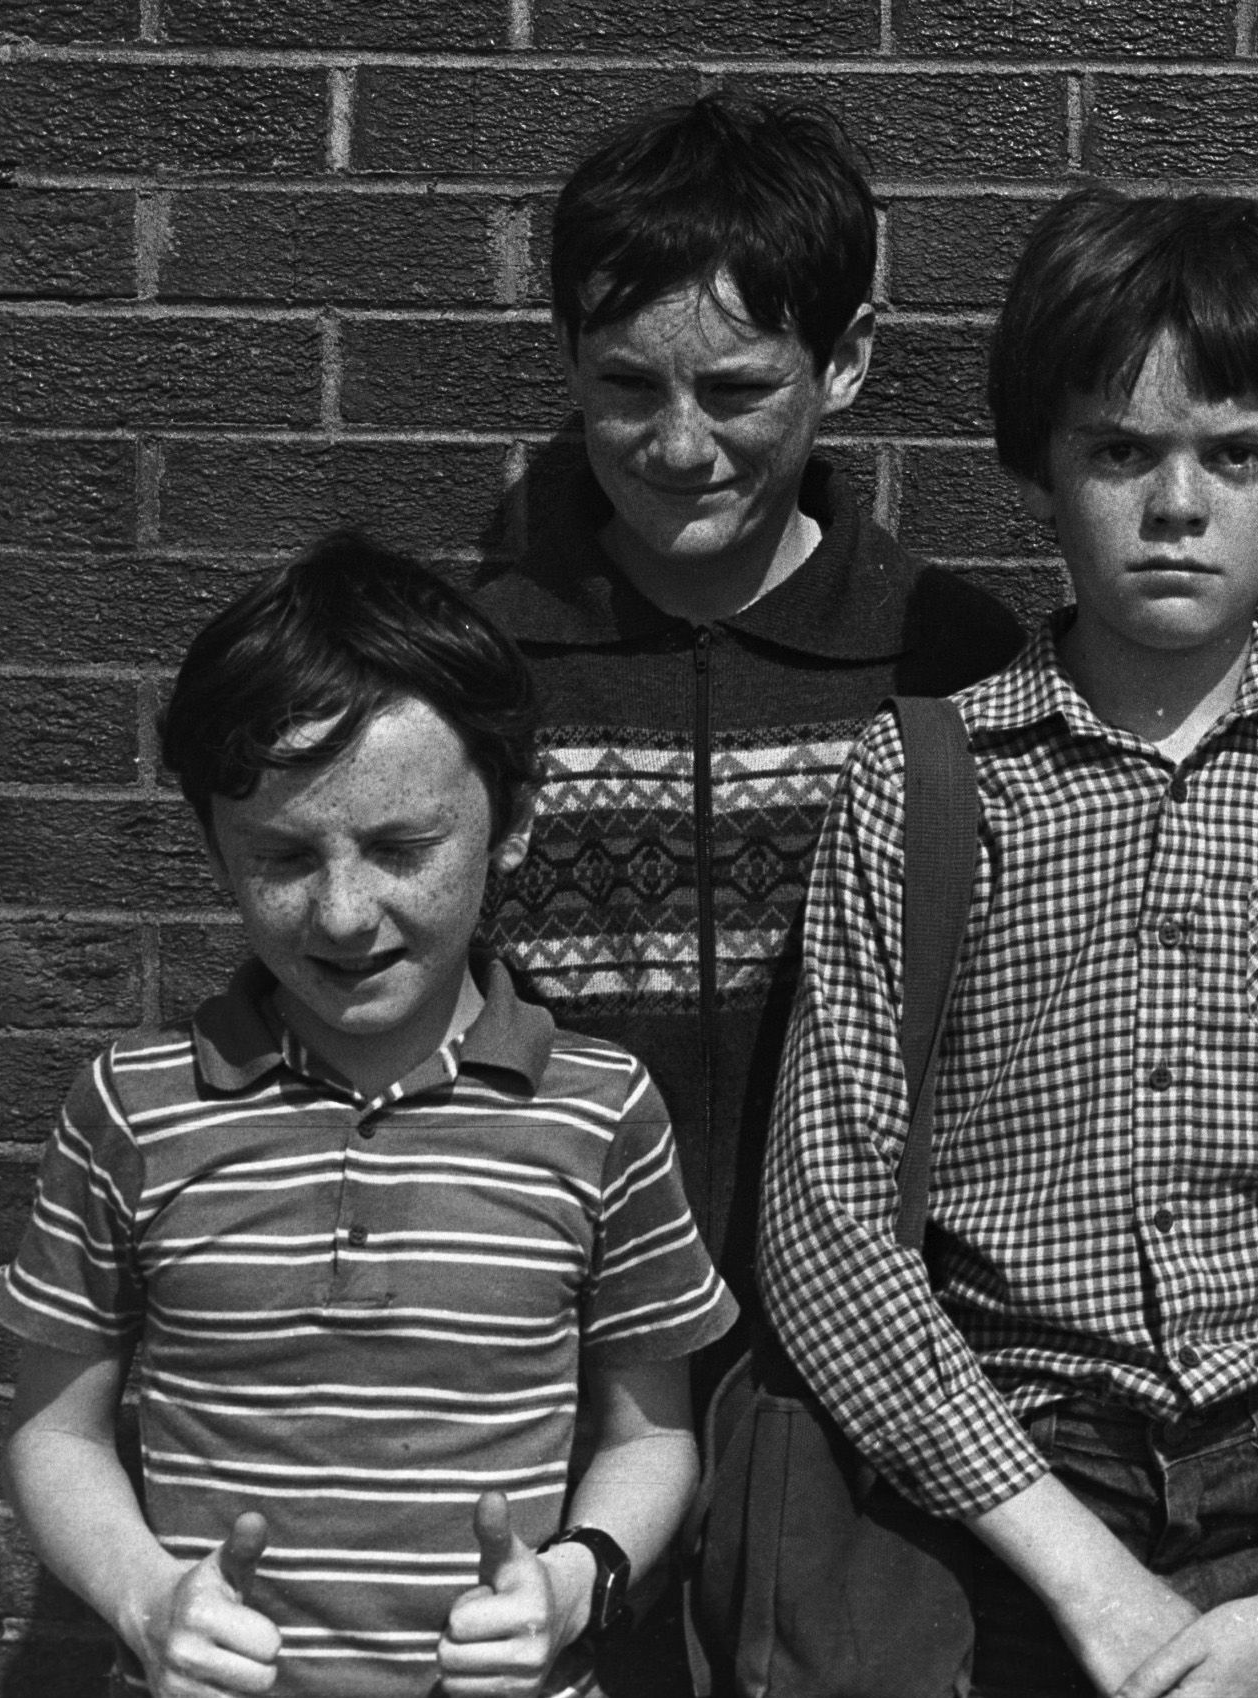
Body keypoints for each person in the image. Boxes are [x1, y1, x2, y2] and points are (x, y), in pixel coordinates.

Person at [762, 186, 1258, 1697]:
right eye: (1118, 450)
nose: (1174, 503)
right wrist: (1083, 1575)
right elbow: (825, 1228)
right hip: (1000, 1503)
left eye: (1234, 454)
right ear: (1040, 463)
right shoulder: (925, 775)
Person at [468, 95, 1024, 1679]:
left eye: (735, 389)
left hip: (858, 1415)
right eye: (623, 388)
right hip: (558, 1388)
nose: (677, 444)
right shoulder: (477, 664)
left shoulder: (950, 662)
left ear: (844, 359)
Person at [0, 535, 737, 1698]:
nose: (343, 914)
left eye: (401, 848)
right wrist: (146, 1600)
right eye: (283, 856)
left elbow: (653, 1435)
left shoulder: (599, 1109)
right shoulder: (132, 1109)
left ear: (514, 820)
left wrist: (575, 1581)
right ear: (213, 847)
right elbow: (56, 1431)